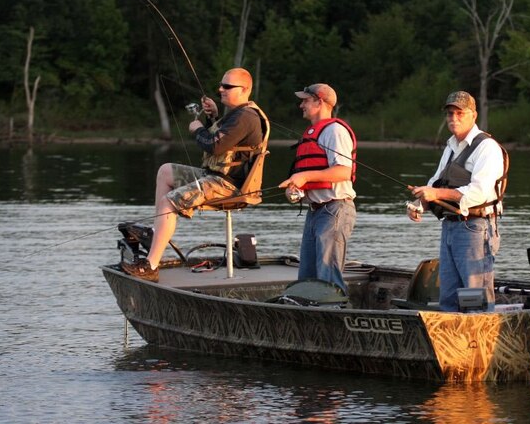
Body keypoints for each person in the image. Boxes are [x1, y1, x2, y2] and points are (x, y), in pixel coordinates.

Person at [121, 67, 267, 282]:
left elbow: (214, 146)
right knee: (166, 171)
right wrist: (213, 118)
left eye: (227, 86)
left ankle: (150, 266)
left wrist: (197, 129)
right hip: (215, 176)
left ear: (244, 89)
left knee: (168, 202)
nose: (220, 89)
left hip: (228, 185)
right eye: (221, 85)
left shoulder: (246, 117)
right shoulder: (237, 115)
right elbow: (222, 141)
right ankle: (156, 233)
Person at [407, 91, 508, 312]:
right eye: (450, 113)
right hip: (450, 227)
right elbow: (436, 182)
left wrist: (437, 195)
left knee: (474, 298)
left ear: (473, 115)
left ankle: (478, 342)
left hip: (475, 228)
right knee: (449, 298)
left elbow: (479, 193)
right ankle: (454, 344)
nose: (454, 118)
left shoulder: (487, 148)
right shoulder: (451, 146)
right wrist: (420, 204)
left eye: (460, 113)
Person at [279, 83, 357, 294]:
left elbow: (343, 172)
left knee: (328, 278)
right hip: (315, 211)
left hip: (334, 210)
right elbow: (311, 176)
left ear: (319, 101)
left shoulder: (335, 131)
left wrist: (304, 176)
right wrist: (296, 190)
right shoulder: (312, 132)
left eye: (305, 100)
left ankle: (336, 315)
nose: (301, 104)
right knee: (308, 278)